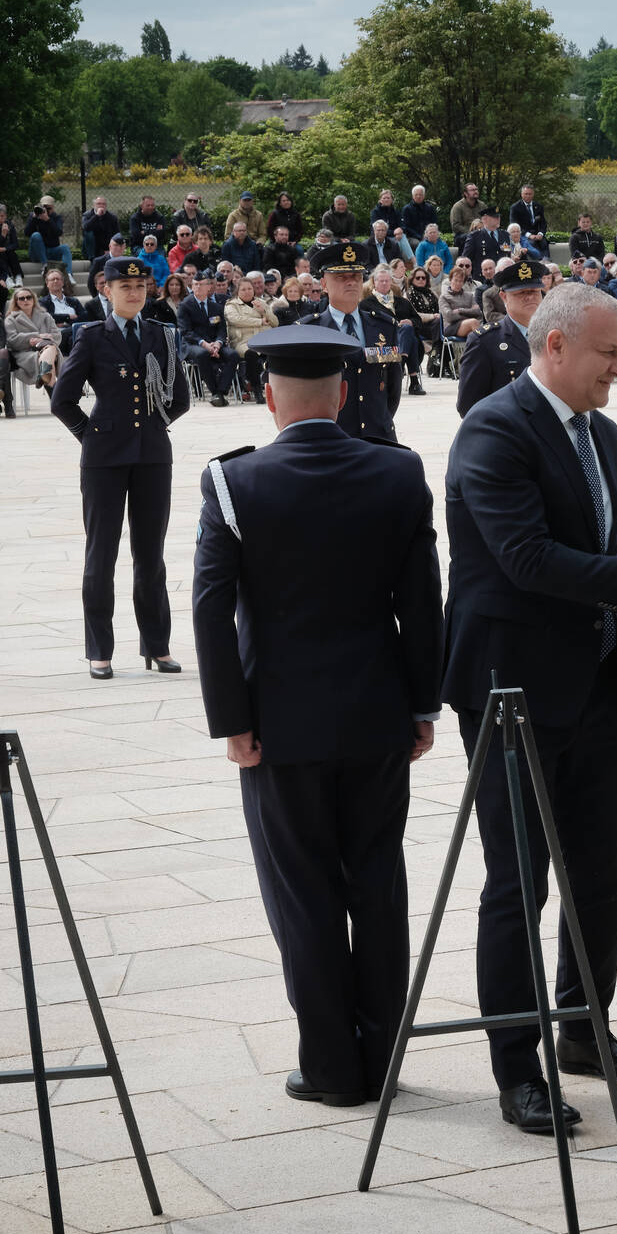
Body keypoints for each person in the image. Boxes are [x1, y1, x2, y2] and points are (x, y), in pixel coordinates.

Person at [443, 283, 617, 1134]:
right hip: (511, 689)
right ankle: (517, 1066)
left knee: (603, 869)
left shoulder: (604, 433)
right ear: (555, 347)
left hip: (594, 683)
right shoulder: (493, 429)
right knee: (518, 881)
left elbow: (599, 551)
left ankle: (583, 1028)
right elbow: (527, 559)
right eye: (609, 352)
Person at [190, 324, 441, 1107]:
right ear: (343, 394)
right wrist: (423, 703)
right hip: (375, 716)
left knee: (302, 891)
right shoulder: (398, 474)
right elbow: (424, 605)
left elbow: (208, 609)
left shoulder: (233, 484)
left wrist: (233, 719)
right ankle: (381, 1055)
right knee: (377, 883)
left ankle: (331, 1067)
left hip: (280, 727)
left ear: (268, 397)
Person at [50, 258, 192, 680]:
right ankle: (100, 650)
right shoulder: (92, 336)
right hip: (104, 460)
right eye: (124, 285)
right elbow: (63, 399)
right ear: (106, 290)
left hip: (152, 455)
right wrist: (90, 433)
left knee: (151, 557)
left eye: (140, 285)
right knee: (101, 555)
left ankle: (157, 645)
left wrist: (154, 422)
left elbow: (180, 398)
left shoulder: (162, 335)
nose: (134, 292)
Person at [301, 242, 403, 441]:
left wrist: (380, 419)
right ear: (323, 284)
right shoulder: (310, 331)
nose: (351, 282)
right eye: (341, 277)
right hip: (331, 440)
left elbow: (393, 386)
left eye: (356, 277)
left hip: (378, 436)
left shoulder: (384, 325)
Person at [455, 259, 544, 415]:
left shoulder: (554, 335)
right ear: (504, 297)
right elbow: (468, 406)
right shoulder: (484, 341)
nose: (529, 297)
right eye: (521, 292)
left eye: (534, 291)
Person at [178, 274, 235, 406]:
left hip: (214, 343)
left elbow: (221, 329)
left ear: (209, 286)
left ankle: (221, 391)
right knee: (202, 354)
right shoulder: (185, 305)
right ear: (192, 286)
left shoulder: (215, 307)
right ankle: (214, 391)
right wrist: (204, 344)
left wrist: (218, 343)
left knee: (233, 355)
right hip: (193, 344)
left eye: (201, 284)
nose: (198, 287)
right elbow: (186, 331)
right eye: (195, 284)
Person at [6, 285, 61, 397]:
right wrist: (33, 338)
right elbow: (11, 340)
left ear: (33, 299)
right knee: (50, 356)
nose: (26, 300)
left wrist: (41, 340)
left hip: (48, 349)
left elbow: (57, 336)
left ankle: (45, 377)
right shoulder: (11, 319)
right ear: (16, 302)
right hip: (24, 353)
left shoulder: (45, 316)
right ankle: (55, 395)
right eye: (22, 298)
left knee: (49, 349)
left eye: (28, 297)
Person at [27, 197, 74, 273]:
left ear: (53, 208)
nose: (46, 210)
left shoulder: (56, 218)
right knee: (36, 235)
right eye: (44, 207)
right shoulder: (34, 217)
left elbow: (59, 232)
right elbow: (27, 233)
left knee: (65, 247)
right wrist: (34, 219)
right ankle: (45, 265)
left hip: (51, 251)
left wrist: (48, 220)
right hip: (37, 253)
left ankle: (68, 275)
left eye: (48, 208)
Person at [509, 184, 548, 253]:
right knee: (531, 244)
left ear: (533, 194)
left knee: (544, 243)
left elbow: (543, 223)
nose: (528, 196)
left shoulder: (538, 206)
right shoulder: (515, 207)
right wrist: (529, 235)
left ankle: (547, 262)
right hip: (524, 235)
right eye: (526, 194)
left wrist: (541, 234)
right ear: (521, 194)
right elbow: (514, 225)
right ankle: (537, 262)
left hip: (537, 235)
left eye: (530, 194)